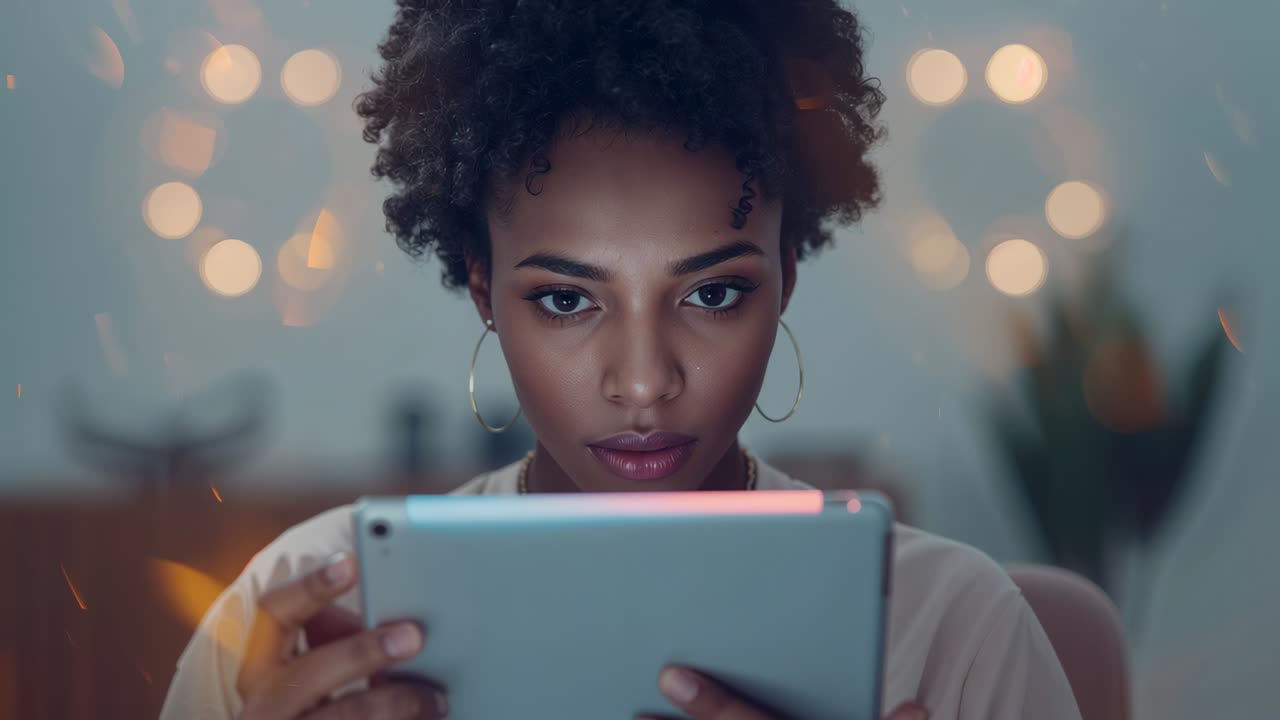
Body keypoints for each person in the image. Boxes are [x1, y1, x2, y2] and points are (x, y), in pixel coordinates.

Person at [161, 0, 1083, 718]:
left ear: (785, 278)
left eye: (713, 294)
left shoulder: (955, 631)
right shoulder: (307, 619)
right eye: (566, 299)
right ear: (483, 290)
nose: (644, 382)